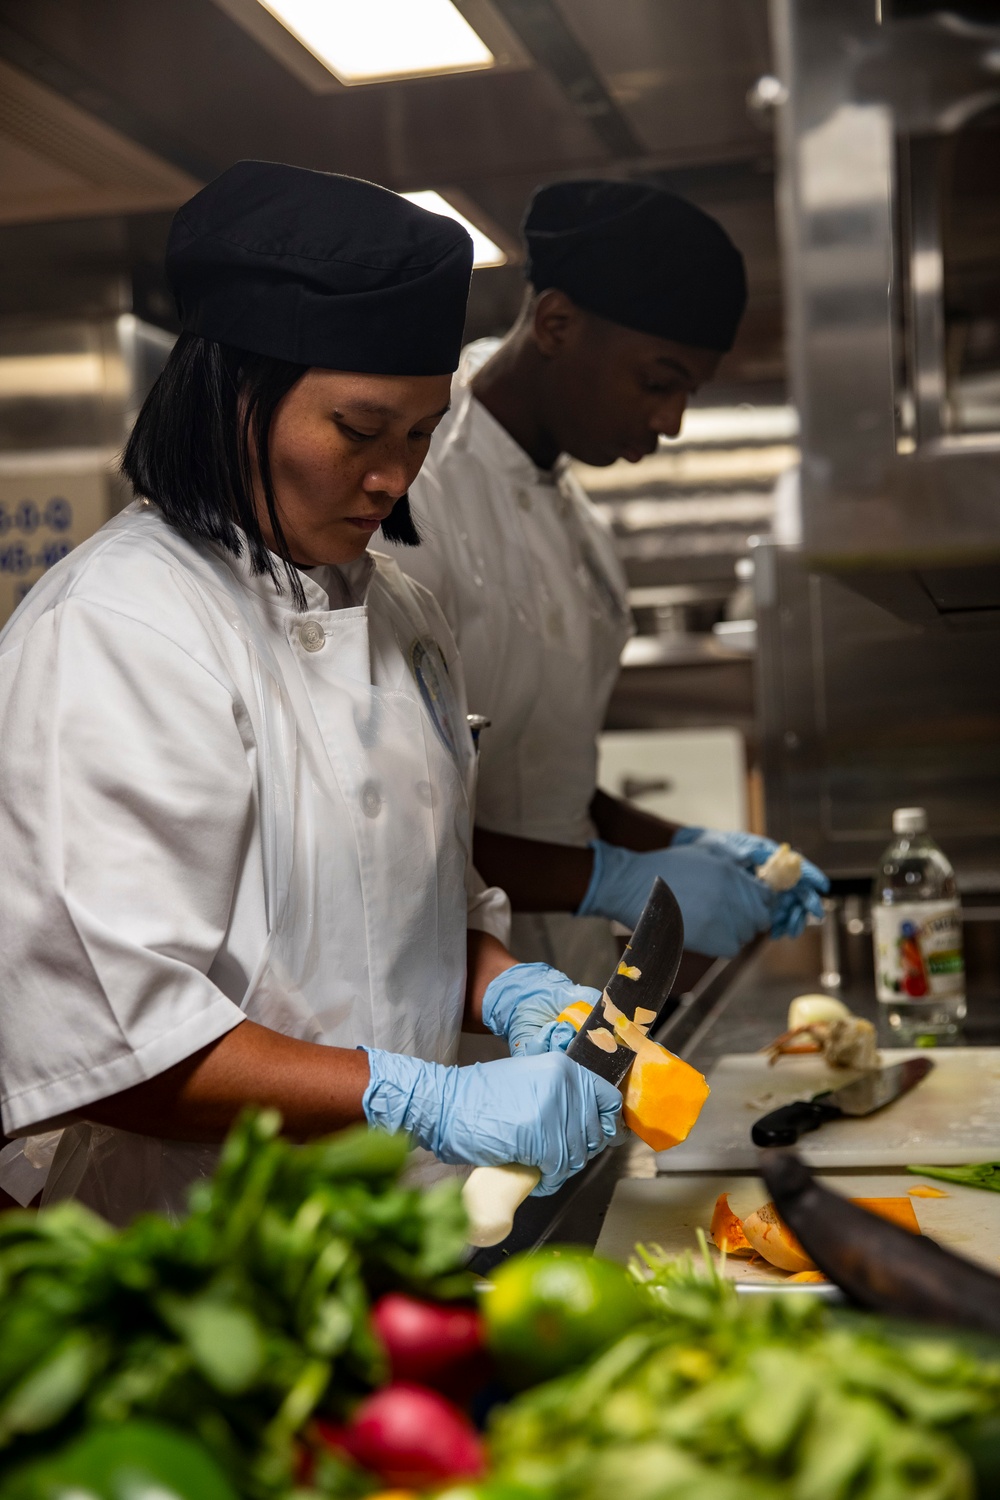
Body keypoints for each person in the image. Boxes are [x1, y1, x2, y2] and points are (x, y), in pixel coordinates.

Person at [0, 162, 622, 1224]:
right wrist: (422, 1095)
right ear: (235, 394)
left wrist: (510, 991)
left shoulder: (402, 613)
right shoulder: (117, 628)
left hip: (402, 1222)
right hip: (198, 1251)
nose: (395, 477)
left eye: (422, 433)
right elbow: (116, 1041)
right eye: (359, 430)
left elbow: (407, 911)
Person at [380, 180, 827, 987]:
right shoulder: (411, 491)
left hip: (571, 968)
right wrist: (613, 878)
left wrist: (679, 844)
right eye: (659, 382)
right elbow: (386, 810)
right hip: (449, 982)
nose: (673, 422)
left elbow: (545, 783)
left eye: (689, 391)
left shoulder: (581, 529)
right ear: (555, 323)